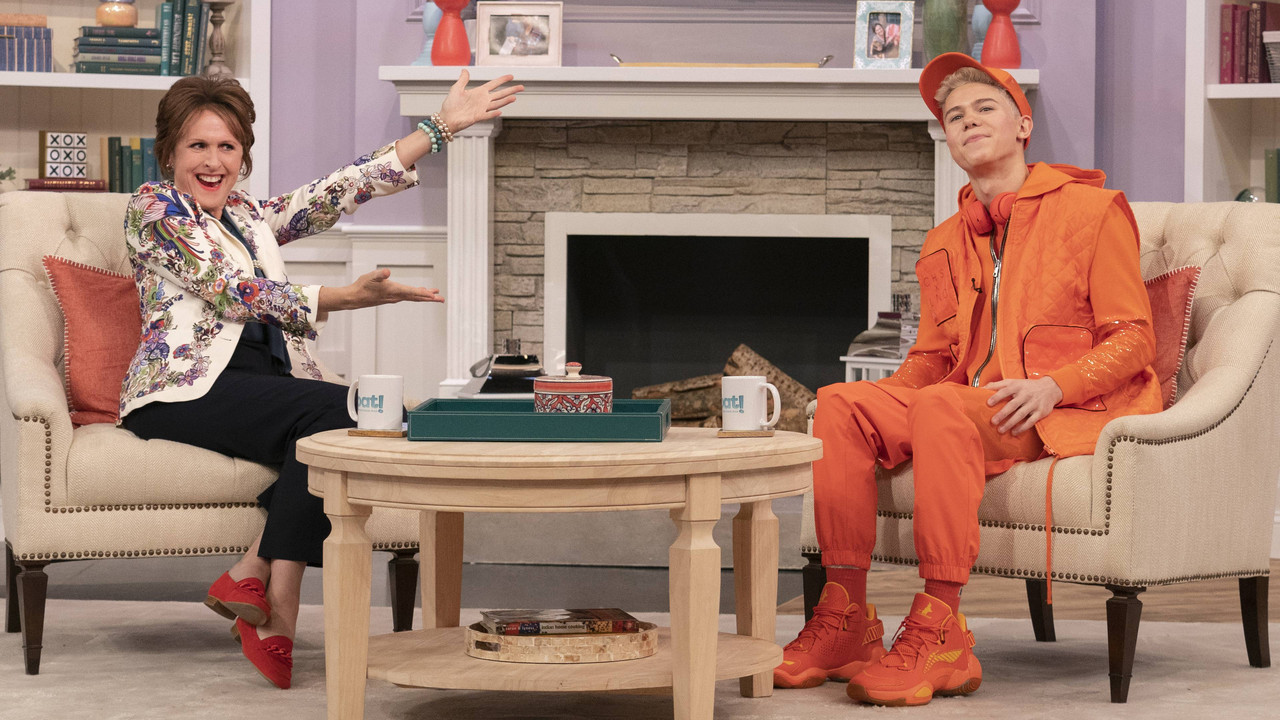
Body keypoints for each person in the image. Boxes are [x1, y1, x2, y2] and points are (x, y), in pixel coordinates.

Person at [773, 52, 1162, 706]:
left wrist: (1055, 387)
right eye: (954, 116)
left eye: (985, 108)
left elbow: (1135, 337)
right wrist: (881, 410)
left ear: (1023, 125)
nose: (968, 121)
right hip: (963, 404)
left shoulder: (1093, 213)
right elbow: (931, 358)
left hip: (1052, 408)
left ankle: (941, 628)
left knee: (942, 408)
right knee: (841, 403)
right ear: (949, 142)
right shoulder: (944, 241)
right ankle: (845, 619)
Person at [118, 71, 522, 688]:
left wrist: (440, 129)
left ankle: (258, 578)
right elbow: (230, 292)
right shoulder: (153, 209)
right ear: (169, 152)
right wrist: (342, 297)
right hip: (183, 391)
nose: (213, 161)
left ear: (243, 157)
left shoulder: (249, 216)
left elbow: (333, 192)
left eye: (227, 146)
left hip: (259, 386)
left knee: (364, 419)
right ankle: (274, 598)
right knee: (343, 412)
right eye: (198, 145)